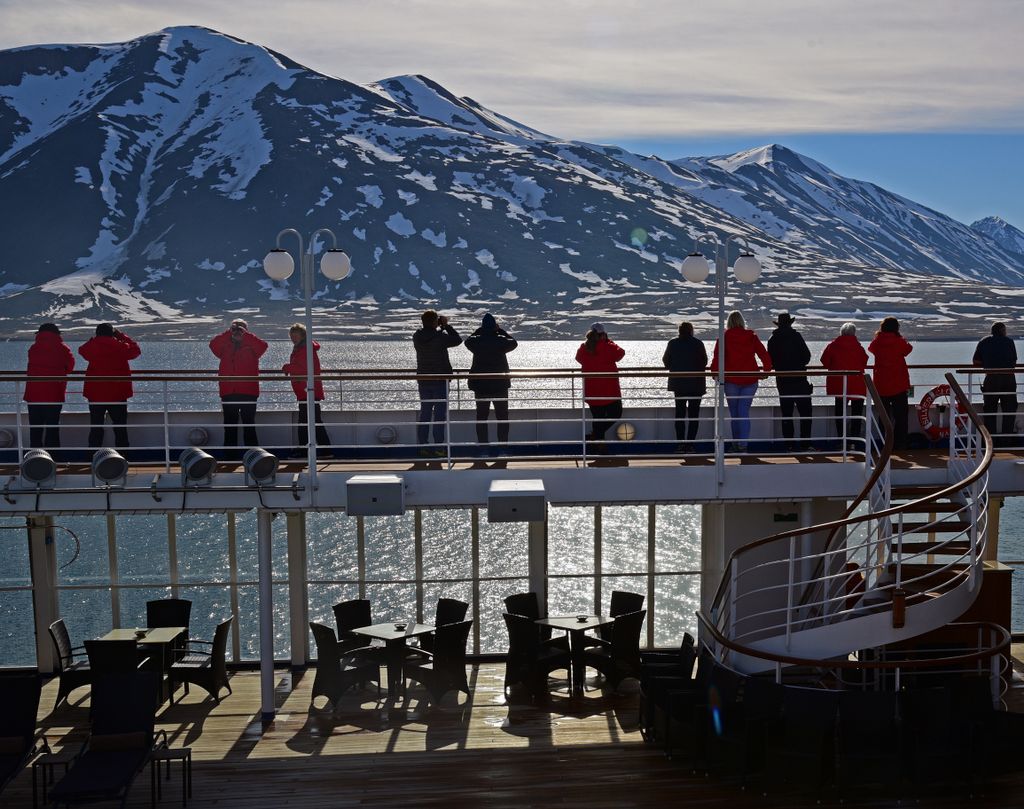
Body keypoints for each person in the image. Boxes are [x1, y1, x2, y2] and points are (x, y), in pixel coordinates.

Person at [709, 311, 772, 452]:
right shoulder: (751, 336)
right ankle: (742, 444)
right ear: (742, 322)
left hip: (731, 380)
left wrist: (714, 373)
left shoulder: (724, 337)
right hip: (750, 380)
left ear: (729, 322)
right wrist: (766, 371)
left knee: (734, 413)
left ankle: (736, 444)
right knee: (743, 411)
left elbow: (717, 357)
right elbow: (763, 353)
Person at [209, 319, 268, 456]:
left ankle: (254, 456)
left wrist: (245, 335)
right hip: (229, 391)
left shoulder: (252, 345)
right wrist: (228, 333)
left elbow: (263, 346)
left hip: (248, 391)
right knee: (230, 425)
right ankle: (230, 456)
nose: (237, 332)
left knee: (249, 425)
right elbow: (212, 345)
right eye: (235, 329)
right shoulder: (225, 345)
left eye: (240, 329)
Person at [79, 323, 141, 449]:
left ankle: (93, 455)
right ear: (112, 334)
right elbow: (136, 350)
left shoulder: (92, 346)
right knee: (120, 427)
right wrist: (121, 336)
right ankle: (123, 455)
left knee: (96, 427)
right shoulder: (121, 346)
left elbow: (82, 350)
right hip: (118, 394)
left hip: (96, 394)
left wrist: (94, 339)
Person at [464, 313, 518, 452]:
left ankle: (483, 448)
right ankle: (503, 448)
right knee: (502, 417)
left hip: (480, 385)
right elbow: (514, 342)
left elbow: (467, 341)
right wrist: (499, 330)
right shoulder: (501, 341)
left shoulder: (476, 342)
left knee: (481, 417)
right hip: (500, 385)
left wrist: (480, 330)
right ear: (494, 326)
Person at [413, 310, 462, 457]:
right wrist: (446, 326)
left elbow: (430, 335)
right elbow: (457, 340)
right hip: (440, 381)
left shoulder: (417, 336)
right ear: (435, 322)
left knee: (425, 414)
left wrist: (438, 327)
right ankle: (439, 447)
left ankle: (423, 446)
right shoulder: (440, 337)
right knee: (439, 415)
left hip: (424, 380)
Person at [282, 323, 331, 455]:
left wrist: (287, 367)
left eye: (295, 336)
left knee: (306, 421)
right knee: (312, 420)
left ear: (302, 336)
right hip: (305, 390)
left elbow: (303, 369)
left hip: (308, 389)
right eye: (291, 336)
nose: (293, 339)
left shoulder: (305, 349)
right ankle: (324, 450)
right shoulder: (302, 348)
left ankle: (305, 450)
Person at [575, 322, 625, 452]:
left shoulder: (583, 348)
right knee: (616, 414)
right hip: (610, 391)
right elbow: (621, 353)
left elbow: (578, 358)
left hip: (592, 391)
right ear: (603, 334)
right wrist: (610, 341)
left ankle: (599, 445)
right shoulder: (608, 347)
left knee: (598, 418)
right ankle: (596, 438)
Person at [23, 323, 75, 450]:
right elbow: (70, 367)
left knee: (35, 428)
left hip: (34, 395)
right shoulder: (63, 348)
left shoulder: (33, 348)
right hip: (54, 394)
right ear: (57, 334)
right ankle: (52, 457)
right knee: (52, 427)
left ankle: (34, 457)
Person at [767, 312, 813, 451]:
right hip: (800, 381)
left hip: (783, 382)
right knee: (805, 414)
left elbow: (771, 361)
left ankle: (789, 445)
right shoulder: (796, 336)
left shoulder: (772, 339)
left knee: (786, 414)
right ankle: (805, 444)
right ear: (790, 323)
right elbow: (807, 356)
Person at [820, 323, 869, 448]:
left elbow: (825, 362)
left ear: (841, 332)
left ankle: (842, 440)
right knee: (856, 414)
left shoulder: (833, 346)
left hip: (839, 385)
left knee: (840, 414)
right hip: (857, 384)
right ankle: (854, 441)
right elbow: (864, 361)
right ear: (854, 333)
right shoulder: (858, 347)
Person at [868, 317, 913, 450]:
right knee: (901, 416)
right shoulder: (899, 342)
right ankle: (900, 443)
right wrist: (901, 337)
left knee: (884, 416)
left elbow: (871, 348)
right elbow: (908, 349)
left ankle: (885, 443)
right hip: (899, 384)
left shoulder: (877, 342)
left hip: (881, 385)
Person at [662, 322, 707, 451]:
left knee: (680, 414)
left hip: (679, 384)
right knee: (694, 415)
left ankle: (681, 444)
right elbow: (704, 362)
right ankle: (690, 445)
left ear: (679, 331)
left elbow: (666, 362)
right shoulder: (698, 344)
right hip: (696, 385)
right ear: (691, 331)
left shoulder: (673, 343)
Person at [972, 321, 1018, 445]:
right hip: (1008, 379)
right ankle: (1006, 440)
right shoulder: (1009, 342)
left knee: (990, 410)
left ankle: (990, 442)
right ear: (1002, 331)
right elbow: (1013, 362)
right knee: (1009, 409)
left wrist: (987, 364)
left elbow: (975, 361)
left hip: (991, 379)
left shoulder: (984, 341)